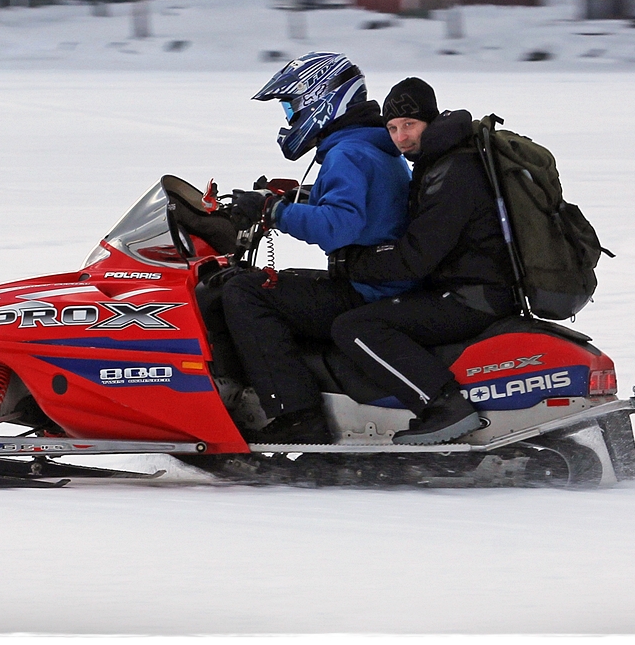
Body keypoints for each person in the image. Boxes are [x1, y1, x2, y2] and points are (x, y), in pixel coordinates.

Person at [219, 52, 414, 445]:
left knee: (245, 292)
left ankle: (298, 415)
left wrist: (273, 211)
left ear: (322, 97)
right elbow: (361, 209)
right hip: (380, 281)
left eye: (291, 105)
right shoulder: (367, 145)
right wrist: (291, 199)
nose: (289, 119)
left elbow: (338, 226)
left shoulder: (348, 154)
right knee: (280, 285)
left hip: (369, 291)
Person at [329, 78, 516, 445]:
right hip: (469, 288)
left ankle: (443, 405)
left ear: (430, 121)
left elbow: (416, 257)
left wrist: (353, 264)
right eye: (392, 128)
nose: (401, 138)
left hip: (473, 298)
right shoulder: (440, 161)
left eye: (409, 125)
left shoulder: (454, 172)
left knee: (355, 326)